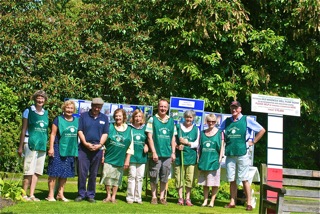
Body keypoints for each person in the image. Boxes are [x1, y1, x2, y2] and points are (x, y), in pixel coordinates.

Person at [220, 101, 265, 211]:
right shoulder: (227, 121)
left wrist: (253, 142)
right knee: (232, 179)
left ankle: (249, 203)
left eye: (236, 107)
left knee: (244, 179)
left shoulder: (246, 119)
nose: (233, 110)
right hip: (230, 153)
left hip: (242, 153)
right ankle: (232, 201)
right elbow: (219, 132)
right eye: (232, 108)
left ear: (240, 109)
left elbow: (262, 130)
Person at [75, 98, 109, 203]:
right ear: (92, 105)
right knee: (82, 173)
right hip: (84, 149)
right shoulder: (84, 116)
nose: (97, 108)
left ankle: (90, 195)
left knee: (93, 174)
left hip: (97, 149)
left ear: (101, 107)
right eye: (95, 106)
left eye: (99, 107)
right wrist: (85, 143)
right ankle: (81, 194)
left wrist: (100, 145)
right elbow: (80, 130)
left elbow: (105, 133)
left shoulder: (104, 118)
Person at [18, 90, 49, 201]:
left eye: (42, 98)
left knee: (37, 171)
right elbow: (23, 129)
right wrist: (21, 146)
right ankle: (23, 194)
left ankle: (32, 194)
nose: (40, 100)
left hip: (41, 145)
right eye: (38, 98)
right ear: (35, 99)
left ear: (45, 100)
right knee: (28, 170)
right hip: (30, 143)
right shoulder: (28, 111)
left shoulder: (46, 113)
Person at [46, 100, 79, 202]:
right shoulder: (58, 119)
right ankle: (50, 195)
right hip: (57, 148)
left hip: (70, 149)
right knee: (54, 172)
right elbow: (53, 134)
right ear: (64, 108)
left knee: (65, 173)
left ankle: (60, 194)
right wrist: (51, 148)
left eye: (71, 108)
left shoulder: (77, 120)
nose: (69, 110)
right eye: (67, 108)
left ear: (74, 110)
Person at [146, 99, 177, 205]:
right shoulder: (152, 119)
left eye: (165, 107)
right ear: (158, 107)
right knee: (154, 175)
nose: (163, 109)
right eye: (161, 106)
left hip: (167, 154)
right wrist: (153, 152)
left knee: (164, 176)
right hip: (156, 153)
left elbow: (173, 138)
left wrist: (173, 152)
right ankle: (154, 197)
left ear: (167, 108)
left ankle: (162, 197)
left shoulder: (171, 121)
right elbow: (149, 137)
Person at [100, 108, 134, 203]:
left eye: (120, 116)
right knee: (107, 177)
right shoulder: (109, 126)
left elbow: (131, 146)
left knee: (117, 178)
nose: (118, 118)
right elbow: (103, 142)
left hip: (120, 158)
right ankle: (108, 196)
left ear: (124, 117)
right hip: (109, 156)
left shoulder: (129, 129)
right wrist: (102, 155)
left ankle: (114, 196)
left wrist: (127, 160)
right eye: (116, 116)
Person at [198, 114, 224, 208]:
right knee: (205, 183)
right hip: (204, 160)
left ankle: (212, 201)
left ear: (215, 122)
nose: (211, 123)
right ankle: (205, 200)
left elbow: (222, 147)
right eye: (209, 121)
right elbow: (199, 147)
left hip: (214, 160)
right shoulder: (202, 133)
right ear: (206, 122)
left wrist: (220, 158)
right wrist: (198, 158)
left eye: (213, 121)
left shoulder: (220, 133)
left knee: (214, 182)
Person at [174, 110, 200, 206]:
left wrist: (187, 143)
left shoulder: (196, 129)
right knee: (179, 177)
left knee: (189, 178)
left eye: (190, 117)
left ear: (193, 118)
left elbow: (197, 144)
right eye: (187, 117)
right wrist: (177, 146)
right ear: (184, 117)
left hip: (191, 157)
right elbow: (173, 140)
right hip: (179, 156)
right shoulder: (178, 127)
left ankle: (188, 198)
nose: (188, 119)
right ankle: (180, 198)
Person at [126, 109, 148, 204]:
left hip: (142, 156)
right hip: (132, 156)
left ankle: (138, 198)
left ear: (142, 118)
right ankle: (130, 197)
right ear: (133, 117)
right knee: (132, 176)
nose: (138, 118)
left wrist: (147, 145)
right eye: (136, 116)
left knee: (139, 177)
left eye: (140, 116)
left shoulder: (145, 128)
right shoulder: (129, 128)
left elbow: (149, 140)